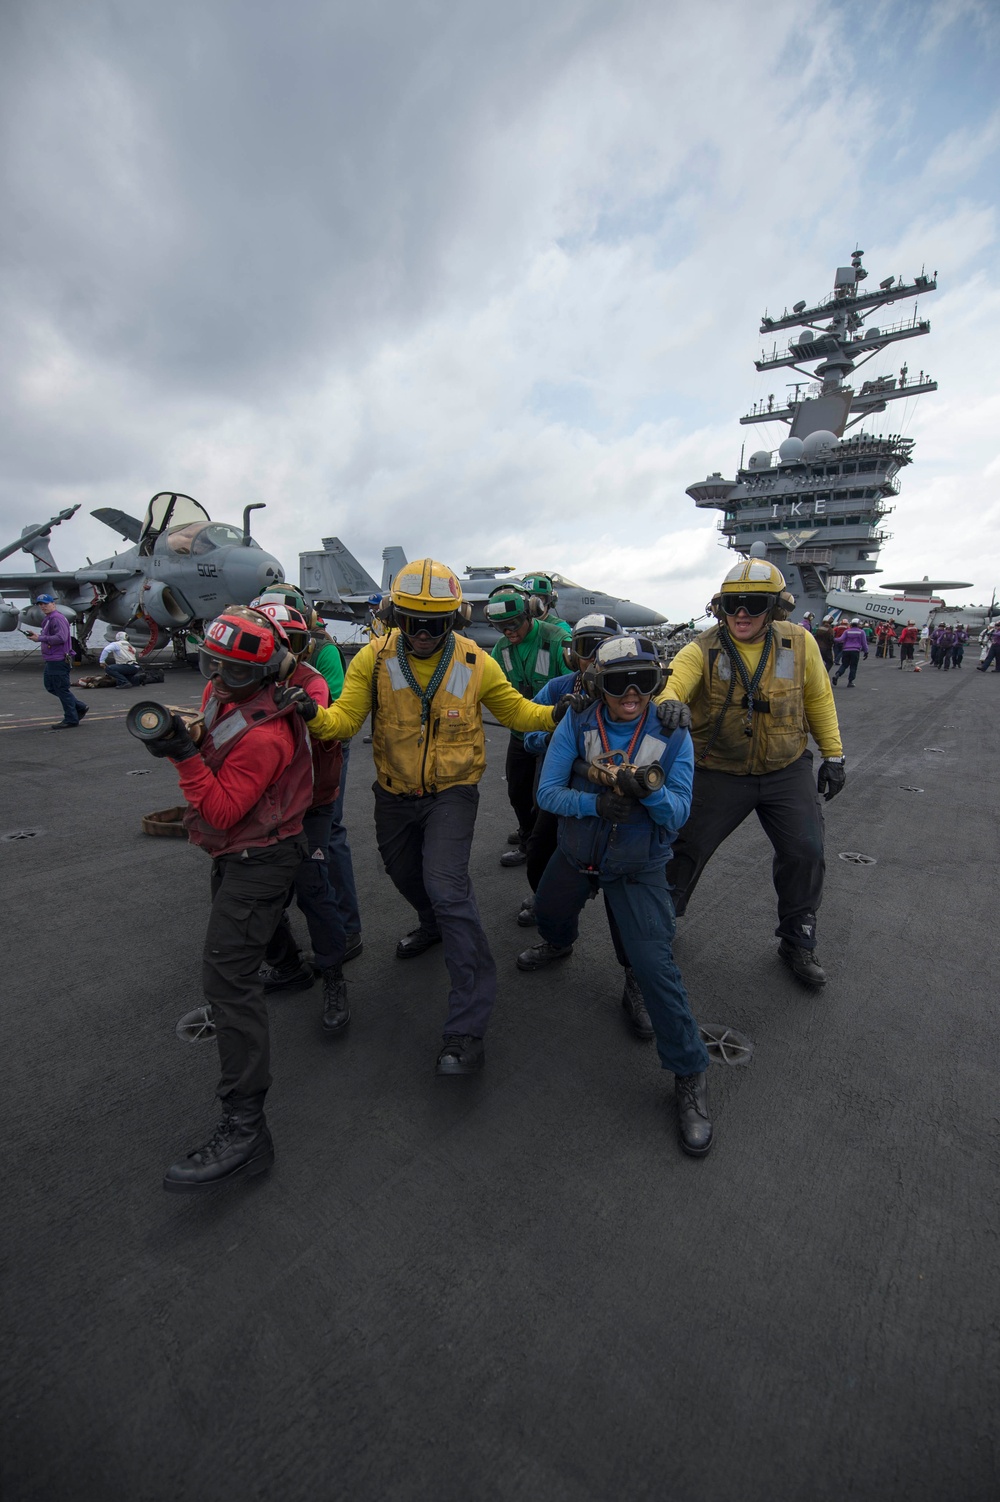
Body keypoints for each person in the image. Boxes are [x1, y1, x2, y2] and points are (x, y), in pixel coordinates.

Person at [279, 558, 565, 1076]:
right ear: (395, 617)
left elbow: (518, 713)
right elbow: (343, 722)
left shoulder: (477, 662)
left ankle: (466, 1026)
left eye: (438, 622)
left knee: (449, 887)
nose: (426, 633)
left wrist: (558, 711)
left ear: (454, 620)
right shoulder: (374, 657)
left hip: (452, 794)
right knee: (405, 874)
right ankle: (430, 922)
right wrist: (311, 714)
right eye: (415, 622)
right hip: (393, 795)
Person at [516, 635, 714, 1156]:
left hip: (638, 865)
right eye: (617, 682)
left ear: (657, 682)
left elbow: (679, 813)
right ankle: (560, 943)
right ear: (596, 686)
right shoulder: (577, 722)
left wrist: (648, 792)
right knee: (549, 913)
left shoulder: (673, 736)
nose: (631, 692)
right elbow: (547, 792)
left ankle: (689, 1073)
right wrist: (595, 805)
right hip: (580, 850)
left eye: (643, 681)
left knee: (655, 967)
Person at [142, 607, 314, 1192]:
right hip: (242, 852)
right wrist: (191, 732)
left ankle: (246, 1130)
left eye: (230, 671)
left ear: (264, 674)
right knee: (253, 935)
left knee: (228, 981)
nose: (215, 677)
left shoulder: (267, 734)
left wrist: (183, 756)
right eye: (211, 664)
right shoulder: (228, 688)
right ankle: (291, 966)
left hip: (259, 858)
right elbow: (215, 721)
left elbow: (219, 809)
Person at [659, 557, 846, 987]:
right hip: (717, 767)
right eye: (732, 603)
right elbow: (673, 682)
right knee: (683, 848)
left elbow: (818, 699)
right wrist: (668, 701)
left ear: (777, 608)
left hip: (785, 766)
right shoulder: (701, 649)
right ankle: (660, 923)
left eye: (753, 603)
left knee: (806, 851)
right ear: (720, 605)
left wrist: (834, 756)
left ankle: (797, 937)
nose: (741, 613)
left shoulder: (801, 644)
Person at [248, 599, 350, 1036]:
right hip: (260, 801)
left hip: (309, 802)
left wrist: (304, 711)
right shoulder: (235, 681)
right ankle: (287, 964)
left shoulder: (310, 684)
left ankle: (334, 977)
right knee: (251, 887)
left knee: (313, 886)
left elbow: (320, 721)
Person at [254, 586, 362, 961]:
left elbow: (328, 704)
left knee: (328, 837)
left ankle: (348, 930)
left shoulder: (322, 652)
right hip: (279, 771)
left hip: (323, 750)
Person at [487, 585, 576, 867]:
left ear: (531, 614)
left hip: (554, 737)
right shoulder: (501, 649)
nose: (509, 631)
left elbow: (574, 684)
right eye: (501, 627)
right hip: (520, 732)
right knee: (517, 792)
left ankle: (546, 850)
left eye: (513, 624)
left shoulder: (557, 638)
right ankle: (528, 837)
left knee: (547, 799)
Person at [23, 595, 90, 730]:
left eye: (46, 603)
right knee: (51, 686)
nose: (43, 606)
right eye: (40, 604)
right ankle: (79, 706)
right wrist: (38, 637)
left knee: (61, 689)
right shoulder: (48, 619)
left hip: (58, 659)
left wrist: (40, 638)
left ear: (53, 604)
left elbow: (61, 637)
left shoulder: (57, 618)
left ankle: (71, 719)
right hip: (51, 659)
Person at [831, 618, 869, 687]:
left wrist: (833, 639)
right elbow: (864, 643)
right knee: (853, 666)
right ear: (858, 624)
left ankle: (837, 675)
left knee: (844, 665)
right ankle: (850, 681)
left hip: (846, 650)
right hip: (855, 651)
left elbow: (840, 639)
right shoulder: (861, 632)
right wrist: (866, 652)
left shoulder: (847, 631)